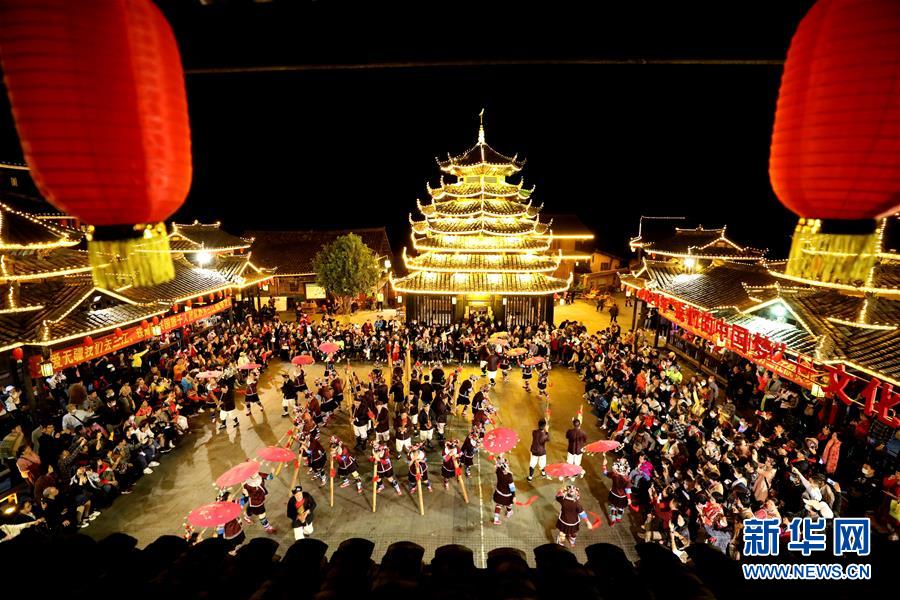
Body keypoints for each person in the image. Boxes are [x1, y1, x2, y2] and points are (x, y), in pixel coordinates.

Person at [603, 456, 632, 525]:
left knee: (613, 506)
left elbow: (605, 473)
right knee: (621, 507)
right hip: (622, 497)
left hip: (613, 494)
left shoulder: (614, 475)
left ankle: (613, 520)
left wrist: (604, 465)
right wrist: (629, 499)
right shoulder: (627, 479)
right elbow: (627, 490)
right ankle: (618, 517)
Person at [492, 456, 516, 525]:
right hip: (506, 496)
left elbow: (497, 466)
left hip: (498, 493)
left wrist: (498, 462)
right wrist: (514, 496)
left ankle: (496, 519)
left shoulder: (498, 471)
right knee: (509, 504)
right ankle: (509, 512)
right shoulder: (509, 477)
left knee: (498, 504)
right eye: (507, 464)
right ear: (506, 467)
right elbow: (512, 488)